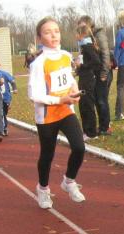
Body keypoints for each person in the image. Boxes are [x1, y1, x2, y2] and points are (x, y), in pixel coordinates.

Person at [27, 17, 86, 208]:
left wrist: (74, 90)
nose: (53, 35)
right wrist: (60, 100)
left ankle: (69, 181)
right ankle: (43, 189)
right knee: (47, 154)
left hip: (66, 111)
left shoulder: (66, 56)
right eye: (47, 32)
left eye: (56, 31)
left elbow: (69, 78)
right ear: (39, 38)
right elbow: (34, 95)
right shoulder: (38, 63)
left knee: (79, 147)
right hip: (46, 116)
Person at [77, 15, 114, 136]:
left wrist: (104, 72)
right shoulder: (87, 39)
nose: (80, 28)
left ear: (88, 24)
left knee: (101, 100)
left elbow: (105, 54)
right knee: (97, 99)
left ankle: (105, 127)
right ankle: (101, 126)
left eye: (82, 25)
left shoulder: (99, 35)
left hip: (102, 72)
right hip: (94, 72)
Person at [75, 22, 102, 140]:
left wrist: (82, 66)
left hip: (88, 80)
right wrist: (78, 69)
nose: (75, 36)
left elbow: (96, 62)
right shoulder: (84, 46)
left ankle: (91, 133)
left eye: (77, 33)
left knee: (88, 105)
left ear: (82, 34)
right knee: (83, 105)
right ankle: (87, 131)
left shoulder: (87, 46)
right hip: (84, 78)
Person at [0, 66, 17, 137]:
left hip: (6, 97)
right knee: (0, 113)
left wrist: (15, 88)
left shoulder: (4, 74)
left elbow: (12, 81)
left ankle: (4, 127)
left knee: (4, 113)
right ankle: (2, 129)